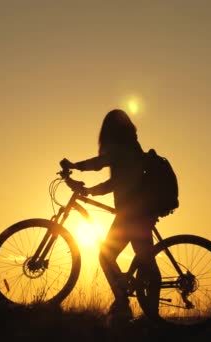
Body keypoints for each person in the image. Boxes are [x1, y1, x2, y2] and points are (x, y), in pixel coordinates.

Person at [60, 109, 161, 323]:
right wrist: (89, 191)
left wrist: (74, 166)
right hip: (135, 212)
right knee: (139, 261)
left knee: (127, 259)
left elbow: (98, 164)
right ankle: (127, 305)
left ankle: (136, 310)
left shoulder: (122, 151)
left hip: (134, 214)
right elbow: (113, 184)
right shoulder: (130, 151)